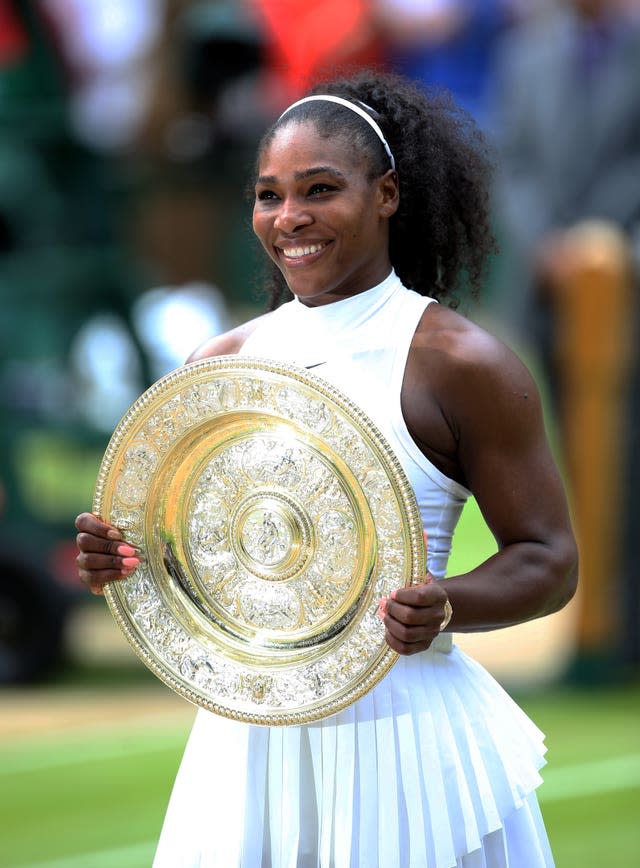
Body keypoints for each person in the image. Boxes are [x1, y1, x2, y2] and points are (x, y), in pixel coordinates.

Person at [76, 69, 578, 867]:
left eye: (319, 189)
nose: (290, 218)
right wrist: (125, 561)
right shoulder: (222, 361)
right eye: (268, 195)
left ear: (386, 194)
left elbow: (550, 559)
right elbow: (197, 558)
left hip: (406, 743)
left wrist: (446, 602)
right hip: (248, 742)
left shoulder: (461, 362)